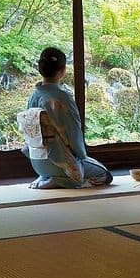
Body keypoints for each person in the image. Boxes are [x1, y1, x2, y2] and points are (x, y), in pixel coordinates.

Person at [21, 47, 113, 189]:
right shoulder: (62, 98)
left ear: (40, 69)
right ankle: (61, 180)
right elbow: (74, 133)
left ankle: (46, 177)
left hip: (37, 161)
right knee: (105, 175)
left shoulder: (33, 96)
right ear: (62, 71)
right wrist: (81, 155)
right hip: (60, 162)